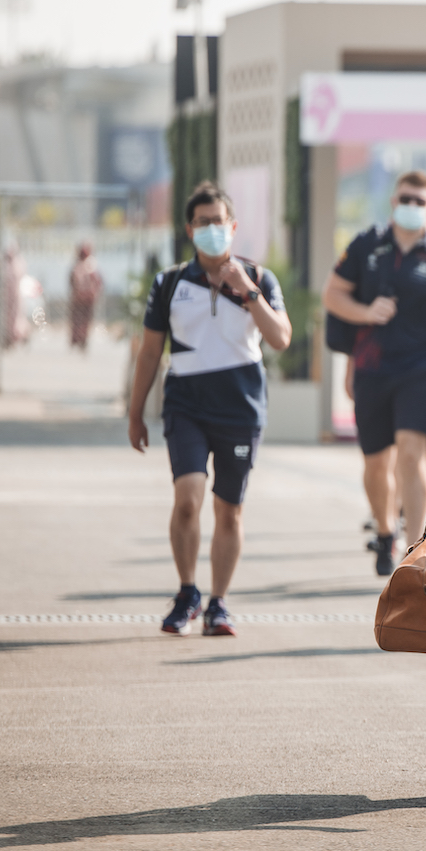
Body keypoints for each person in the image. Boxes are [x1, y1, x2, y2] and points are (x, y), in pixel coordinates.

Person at [128, 181, 291, 636]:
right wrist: (135, 411)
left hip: (240, 407)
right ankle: (187, 592)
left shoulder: (258, 278)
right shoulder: (170, 283)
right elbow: (149, 353)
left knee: (229, 510)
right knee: (187, 501)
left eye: (218, 221)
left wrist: (247, 290)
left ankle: (219, 602)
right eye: (202, 222)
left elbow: (280, 337)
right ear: (189, 228)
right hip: (187, 406)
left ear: (233, 226)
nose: (211, 229)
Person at [324, 170, 426, 576]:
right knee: (374, 462)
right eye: (406, 198)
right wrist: (366, 313)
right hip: (372, 368)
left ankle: (413, 549)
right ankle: (384, 531)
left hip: (422, 369)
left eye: (421, 201)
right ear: (393, 201)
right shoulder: (367, 245)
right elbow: (333, 295)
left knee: (411, 451)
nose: (412, 206)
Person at [69, 242, 104, 351]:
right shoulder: (86, 264)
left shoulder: (88, 264)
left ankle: (81, 339)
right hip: (83, 298)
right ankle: (78, 339)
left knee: (83, 320)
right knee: (79, 319)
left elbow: (97, 281)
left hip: (85, 298)